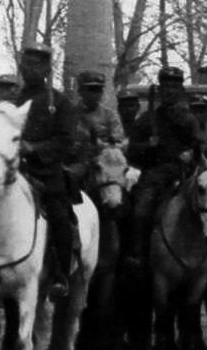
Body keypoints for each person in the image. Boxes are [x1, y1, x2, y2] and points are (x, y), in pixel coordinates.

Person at [123, 66, 205, 272]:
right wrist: (148, 146)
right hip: (155, 175)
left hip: (183, 174)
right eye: (165, 86)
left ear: (180, 90)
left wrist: (191, 154)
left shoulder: (189, 119)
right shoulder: (146, 120)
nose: (169, 91)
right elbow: (132, 152)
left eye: (174, 87)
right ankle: (138, 255)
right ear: (160, 90)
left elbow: (201, 146)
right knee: (141, 210)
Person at [15, 43, 80, 300]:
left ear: (46, 68)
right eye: (26, 64)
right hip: (13, 172)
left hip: (45, 173)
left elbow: (66, 141)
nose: (30, 69)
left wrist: (33, 148)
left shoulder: (60, 102)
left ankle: (60, 276)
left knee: (60, 219)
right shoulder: (12, 101)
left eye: (37, 64)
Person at [70, 70, 125, 197]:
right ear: (81, 91)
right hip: (78, 161)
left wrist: (104, 144)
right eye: (91, 89)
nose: (95, 94)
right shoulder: (70, 114)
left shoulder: (110, 115)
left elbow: (118, 138)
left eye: (98, 90)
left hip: (106, 162)